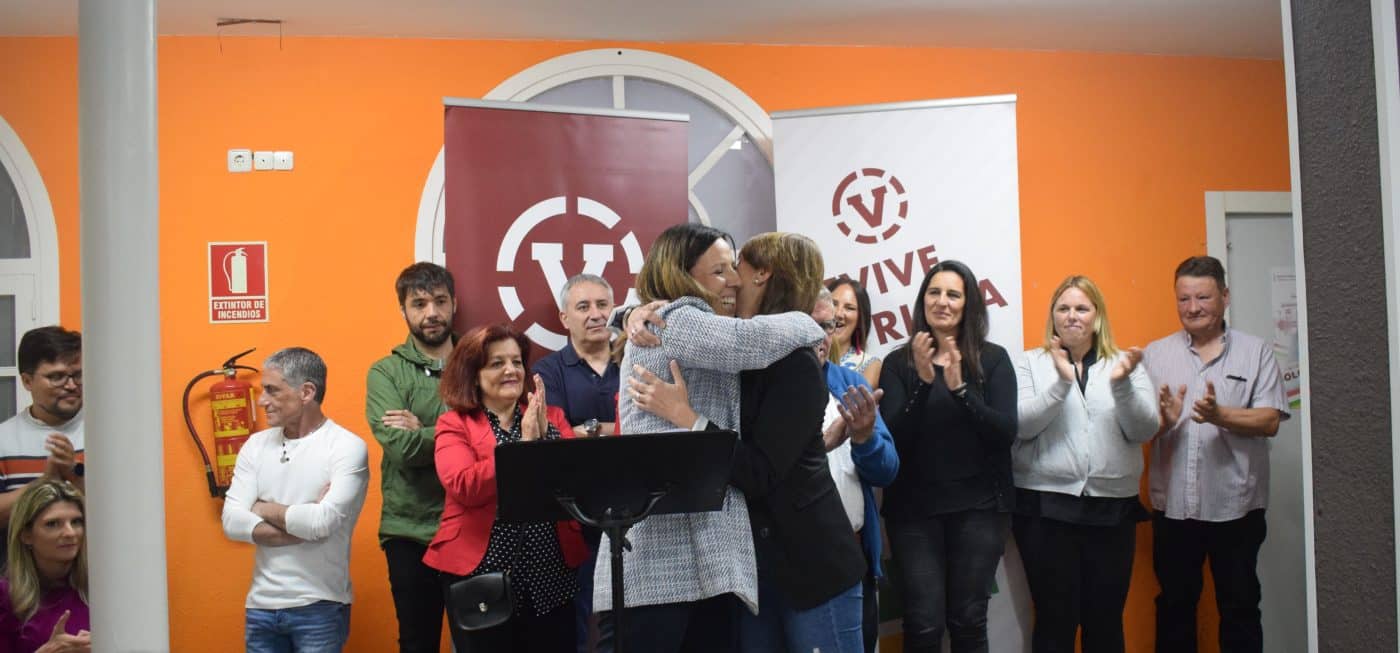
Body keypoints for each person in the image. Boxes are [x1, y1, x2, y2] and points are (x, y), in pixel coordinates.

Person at [632, 285, 898, 652]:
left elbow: (885, 469)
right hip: (758, 570)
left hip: (822, 564)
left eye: (827, 326)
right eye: (808, 324)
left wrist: (864, 439)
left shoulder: (847, 383)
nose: (818, 337)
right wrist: (629, 315)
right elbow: (768, 460)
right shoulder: (743, 374)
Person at [600, 223, 824, 652]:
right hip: (661, 556)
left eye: (733, 268)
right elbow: (746, 342)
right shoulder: (677, 320)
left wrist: (626, 313)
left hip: (694, 551)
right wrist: (809, 322)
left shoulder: (671, 318)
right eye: (720, 271)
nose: (735, 280)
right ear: (681, 276)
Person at [1143, 256, 1288, 653]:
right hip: (1174, 509)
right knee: (1174, 608)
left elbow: (1270, 419)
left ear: (1225, 296)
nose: (1193, 308)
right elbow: (1137, 429)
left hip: (1236, 507)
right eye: (1184, 299)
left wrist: (1219, 415)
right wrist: (1164, 421)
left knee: (1240, 609)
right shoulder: (1155, 354)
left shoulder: (1256, 352)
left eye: (1203, 297)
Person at [1011, 275, 1158, 653]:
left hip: (1112, 511)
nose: (1072, 316)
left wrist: (1122, 385)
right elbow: (1022, 425)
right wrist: (1061, 383)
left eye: (1081, 308)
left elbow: (1144, 429)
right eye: (1063, 308)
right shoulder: (1030, 363)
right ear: (1053, 316)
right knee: (1055, 621)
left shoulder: (1125, 364)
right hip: (1045, 511)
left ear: (1097, 316)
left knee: (1105, 622)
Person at [878, 260, 1017, 653]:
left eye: (953, 294)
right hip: (914, 513)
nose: (942, 302)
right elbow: (894, 439)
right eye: (934, 292)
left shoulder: (993, 359)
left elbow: (1004, 433)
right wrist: (924, 384)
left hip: (980, 509)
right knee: (923, 623)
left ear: (968, 304)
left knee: (968, 620)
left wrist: (961, 392)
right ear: (923, 301)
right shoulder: (898, 363)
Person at [423, 324, 588, 653]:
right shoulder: (454, 423)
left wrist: (547, 437)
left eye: (516, 361)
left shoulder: (552, 417)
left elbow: (576, 483)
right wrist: (522, 448)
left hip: (551, 576)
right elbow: (464, 485)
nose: (511, 370)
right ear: (473, 374)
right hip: (481, 577)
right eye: (497, 363)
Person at [222, 347, 370, 653]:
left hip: (320, 605)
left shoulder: (346, 447)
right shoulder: (255, 446)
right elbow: (232, 522)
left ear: (306, 392)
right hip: (261, 606)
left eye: (272, 390)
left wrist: (260, 507)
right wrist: (302, 525)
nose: (262, 400)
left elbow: (321, 523)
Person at [364, 262, 456, 653]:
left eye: (440, 301)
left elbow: (497, 435)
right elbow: (403, 449)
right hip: (409, 531)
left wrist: (424, 430)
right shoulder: (385, 373)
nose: (431, 312)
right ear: (403, 310)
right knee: (417, 644)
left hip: (473, 526)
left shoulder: (481, 363)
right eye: (419, 304)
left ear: (454, 304)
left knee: (482, 641)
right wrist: (462, 432)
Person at [532, 273, 621, 653]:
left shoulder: (632, 359)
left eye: (602, 304)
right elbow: (556, 435)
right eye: (583, 307)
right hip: (574, 514)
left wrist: (588, 428)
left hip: (632, 509)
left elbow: (650, 429)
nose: (595, 314)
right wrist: (618, 428)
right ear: (564, 318)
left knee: (626, 623)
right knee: (577, 622)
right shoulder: (548, 370)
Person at [0, 327, 84, 550]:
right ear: (27, 381)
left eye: (77, 375)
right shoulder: (4, 440)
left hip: (96, 570)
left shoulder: (107, 436)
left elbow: (126, 510)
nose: (71, 385)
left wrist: (74, 475)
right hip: (17, 571)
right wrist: (45, 482)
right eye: (56, 377)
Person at [0, 480, 89, 653]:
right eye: (52, 524)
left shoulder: (102, 588)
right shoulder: (5, 597)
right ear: (26, 535)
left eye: (76, 522)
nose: (70, 532)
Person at [827, 279, 883, 389]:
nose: (838, 314)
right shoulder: (805, 356)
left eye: (849, 308)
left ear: (860, 319)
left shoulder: (870, 365)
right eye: (833, 304)